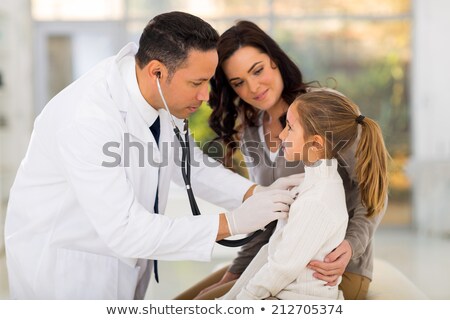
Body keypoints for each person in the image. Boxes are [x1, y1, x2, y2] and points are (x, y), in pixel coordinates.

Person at [4, 12, 300, 300]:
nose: (205, 96)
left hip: (121, 266)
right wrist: (232, 223)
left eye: (207, 82)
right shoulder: (86, 118)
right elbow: (125, 230)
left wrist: (257, 193)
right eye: (196, 83)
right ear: (157, 71)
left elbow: (189, 165)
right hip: (68, 274)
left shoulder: (155, 97)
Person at [174, 21, 386, 300]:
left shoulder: (321, 110)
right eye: (238, 82)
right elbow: (268, 216)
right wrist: (234, 272)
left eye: (257, 70)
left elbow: (370, 189)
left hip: (328, 269)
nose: (253, 87)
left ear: (275, 61)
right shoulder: (250, 130)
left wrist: (351, 245)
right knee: (187, 300)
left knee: (205, 303)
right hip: (280, 256)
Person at [221, 91, 389, 299]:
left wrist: (242, 299)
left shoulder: (317, 200)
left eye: (290, 128)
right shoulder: (310, 184)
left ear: (316, 143)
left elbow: (282, 268)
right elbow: (275, 250)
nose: (281, 135)